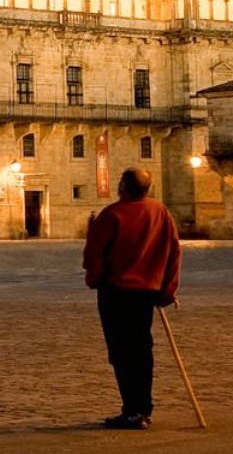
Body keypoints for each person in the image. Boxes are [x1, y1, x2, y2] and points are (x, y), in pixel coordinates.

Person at [82, 166, 182, 430]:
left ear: (123, 186)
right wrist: (167, 290)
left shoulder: (112, 214)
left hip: (116, 292)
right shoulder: (160, 211)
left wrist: (96, 279)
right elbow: (174, 252)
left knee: (121, 352)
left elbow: (93, 255)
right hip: (147, 292)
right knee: (141, 349)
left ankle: (132, 410)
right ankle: (143, 408)